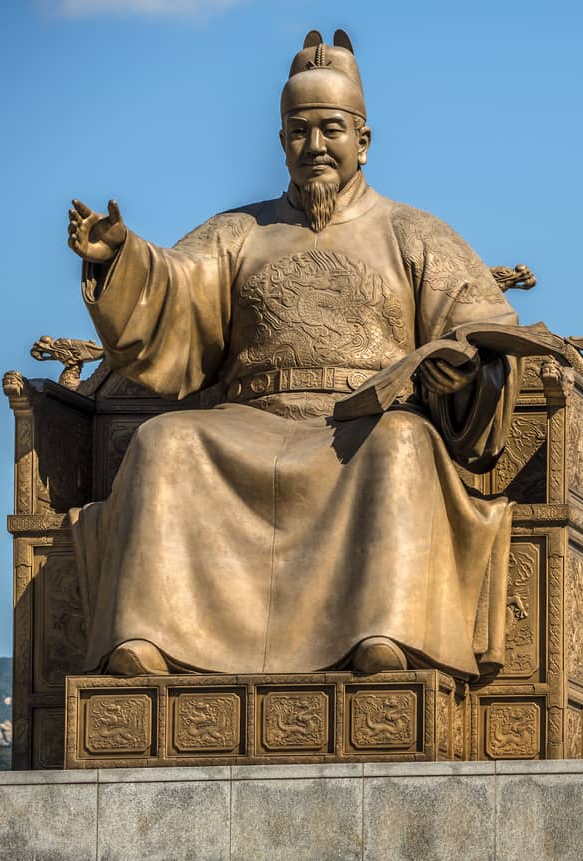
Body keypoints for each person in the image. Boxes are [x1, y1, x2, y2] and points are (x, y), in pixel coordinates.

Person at [65, 30, 518, 679]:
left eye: (331, 129)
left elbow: (483, 325)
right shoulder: (238, 232)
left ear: (363, 140)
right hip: (248, 417)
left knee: (402, 446)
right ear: (281, 142)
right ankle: (149, 640)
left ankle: (384, 636)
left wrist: (462, 365)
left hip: (366, 421)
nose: (314, 147)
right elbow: (175, 286)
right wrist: (120, 259)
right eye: (298, 132)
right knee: (165, 443)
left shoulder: (415, 233)